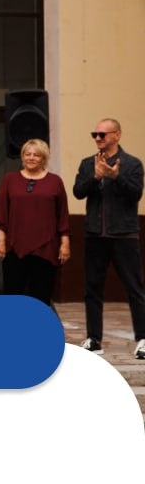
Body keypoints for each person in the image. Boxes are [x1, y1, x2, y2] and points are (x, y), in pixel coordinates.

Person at [72, 118, 145, 358]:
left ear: (117, 135)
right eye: (95, 134)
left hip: (124, 235)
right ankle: (94, 339)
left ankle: (143, 339)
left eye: (102, 134)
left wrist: (115, 176)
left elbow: (135, 194)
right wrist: (94, 177)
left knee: (134, 289)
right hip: (95, 235)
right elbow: (78, 192)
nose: (97, 138)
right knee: (92, 288)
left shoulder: (132, 164)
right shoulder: (87, 163)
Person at [0, 139, 70, 307]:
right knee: (13, 297)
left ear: (44, 158)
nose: (31, 158)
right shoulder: (9, 179)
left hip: (46, 247)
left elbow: (62, 214)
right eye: (27, 154)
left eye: (36, 155)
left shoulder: (55, 181)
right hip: (14, 246)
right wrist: (1, 240)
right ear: (22, 156)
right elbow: (1, 212)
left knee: (41, 297)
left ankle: (38, 324)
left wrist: (65, 243)